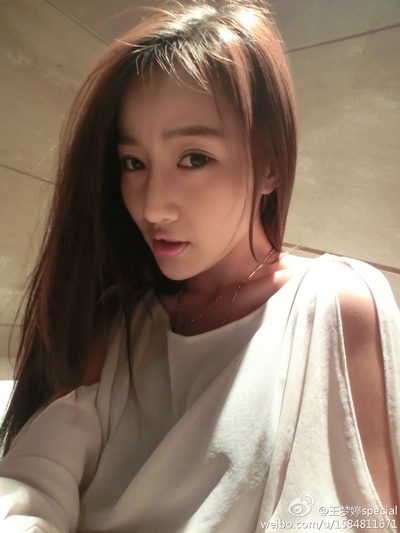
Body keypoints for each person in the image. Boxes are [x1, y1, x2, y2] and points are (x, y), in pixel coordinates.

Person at [0, 0, 399, 531]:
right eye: (133, 163)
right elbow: (29, 487)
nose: (151, 206)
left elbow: (359, 515)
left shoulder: (334, 303)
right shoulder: (121, 323)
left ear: (271, 166)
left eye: (194, 158)